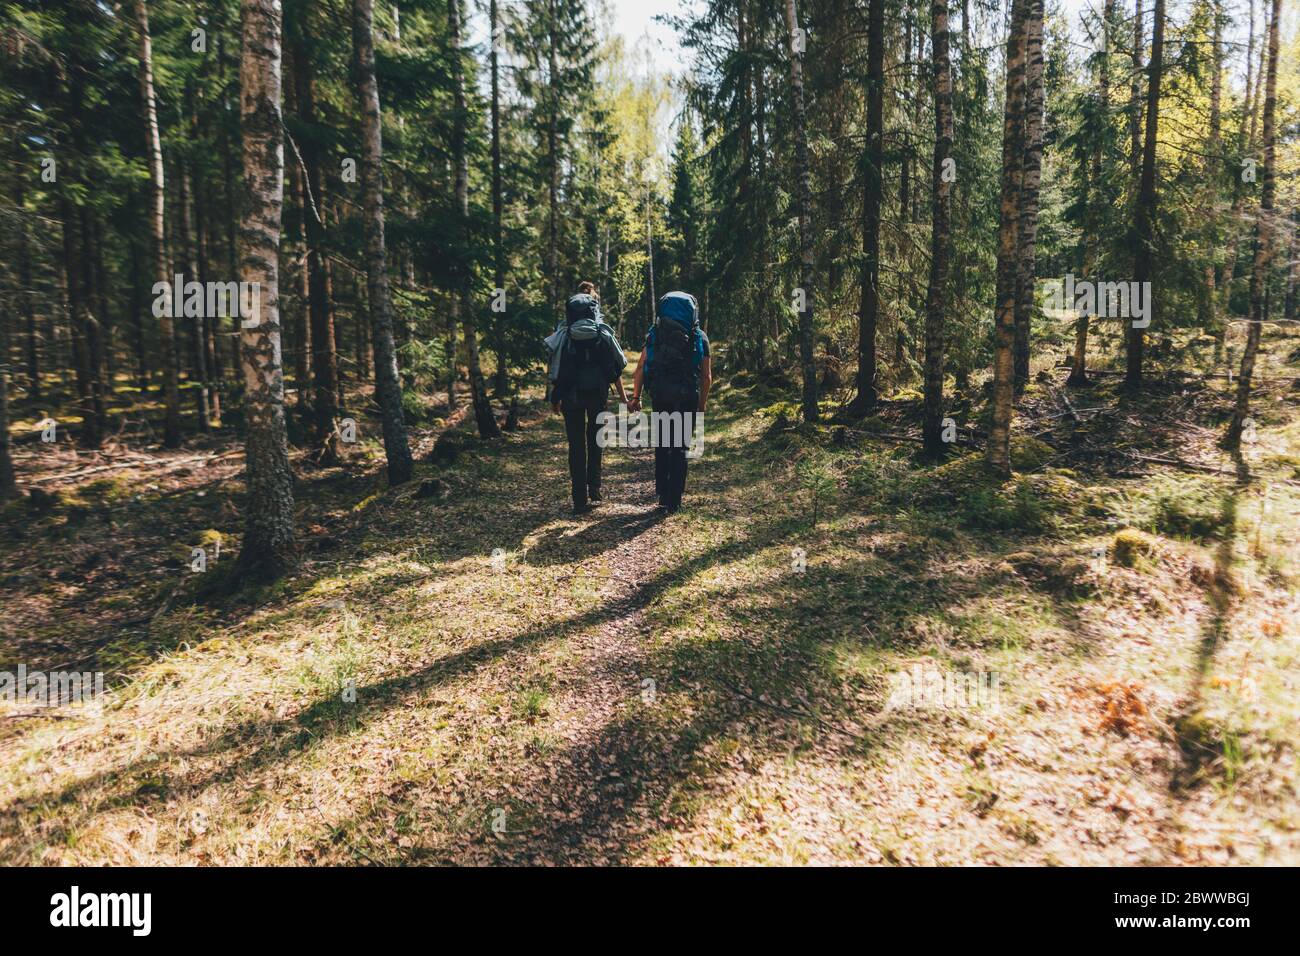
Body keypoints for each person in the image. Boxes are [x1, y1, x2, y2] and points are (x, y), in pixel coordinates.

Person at [549, 282, 629, 514]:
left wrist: (556, 397)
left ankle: (579, 499)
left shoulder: (564, 334)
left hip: (571, 397)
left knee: (576, 446)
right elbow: (614, 369)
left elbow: (558, 370)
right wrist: (623, 397)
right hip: (597, 396)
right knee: (595, 440)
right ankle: (594, 487)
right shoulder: (601, 332)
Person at [630, 291, 711, 514]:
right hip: (687, 396)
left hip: (661, 394)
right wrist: (701, 404)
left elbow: (640, 367)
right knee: (680, 447)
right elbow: (706, 376)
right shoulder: (699, 336)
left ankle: (663, 493)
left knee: (664, 442)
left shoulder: (655, 332)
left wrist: (636, 397)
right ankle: (675, 500)